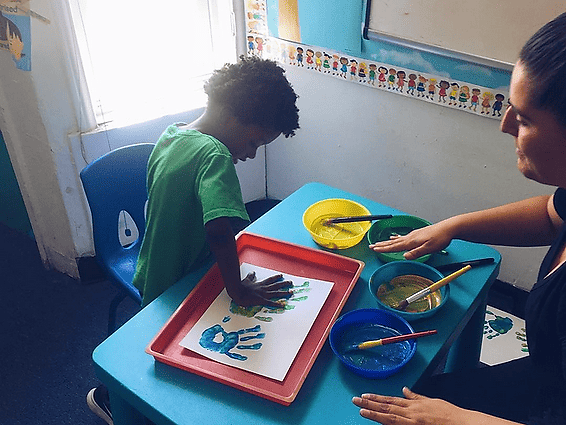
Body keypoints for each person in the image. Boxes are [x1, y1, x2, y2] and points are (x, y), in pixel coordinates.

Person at [352, 13, 566, 425]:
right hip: (547, 380)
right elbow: (550, 214)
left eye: (523, 119)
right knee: (417, 394)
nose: (505, 127)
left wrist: (452, 419)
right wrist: (453, 225)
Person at [87, 55, 300, 425]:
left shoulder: (174, 133)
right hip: (179, 288)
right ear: (234, 115)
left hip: (154, 270)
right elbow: (220, 229)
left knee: (153, 347)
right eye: (254, 141)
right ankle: (114, 401)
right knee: (177, 371)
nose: (249, 155)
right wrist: (236, 288)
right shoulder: (214, 156)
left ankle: (114, 392)